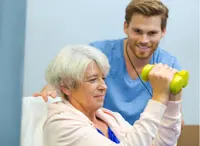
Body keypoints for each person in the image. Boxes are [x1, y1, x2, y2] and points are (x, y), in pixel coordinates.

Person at [34, 0, 184, 125]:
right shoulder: (98, 53)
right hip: (98, 135)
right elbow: (62, 83)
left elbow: (174, 116)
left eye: (152, 33)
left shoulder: (168, 64)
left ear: (163, 32)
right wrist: (49, 91)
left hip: (144, 140)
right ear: (125, 27)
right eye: (137, 31)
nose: (144, 40)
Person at [43, 45, 182, 146]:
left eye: (103, 78)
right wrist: (158, 97)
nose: (104, 86)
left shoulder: (111, 118)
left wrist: (173, 99)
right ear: (66, 87)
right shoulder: (61, 125)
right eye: (92, 80)